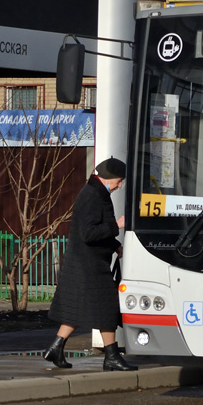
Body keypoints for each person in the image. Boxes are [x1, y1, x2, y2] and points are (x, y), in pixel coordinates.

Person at [44, 157, 137, 371]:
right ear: (108, 178)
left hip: (88, 262)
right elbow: (89, 233)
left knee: (78, 308)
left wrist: (114, 245)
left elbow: (96, 228)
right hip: (90, 265)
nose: (119, 186)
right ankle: (111, 356)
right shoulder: (93, 196)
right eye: (119, 181)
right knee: (107, 308)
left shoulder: (97, 193)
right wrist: (117, 225)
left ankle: (56, 348)